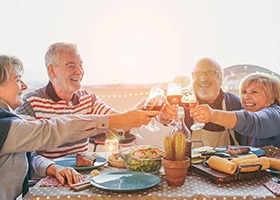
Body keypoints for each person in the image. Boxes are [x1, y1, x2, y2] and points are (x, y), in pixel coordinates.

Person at [0, 55, 158, 199]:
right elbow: (49, 130)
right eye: (17, 79)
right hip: (41, 187)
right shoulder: (11, 119)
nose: (79, 71)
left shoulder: (87, 98)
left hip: (70, 177)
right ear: (52, 70)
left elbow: (25, 152)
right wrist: (119, 120)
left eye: (81, 65)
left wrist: (52, 167)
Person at [190, 72, 280, 147]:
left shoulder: (275, 114)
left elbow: (252, 122)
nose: (246, 97)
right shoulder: (242, 107)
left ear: (271, 97)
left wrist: (213, 115)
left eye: (254, 92)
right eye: (244, 92)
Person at [185, 57, 247, 147]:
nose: (203, 79)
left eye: (209, 73)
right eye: (197, 74)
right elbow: (167, 118)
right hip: (192, 160)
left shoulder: (235, 103)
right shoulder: (186, 103)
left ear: (220, 78)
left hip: (228, 160)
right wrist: (163, 118)